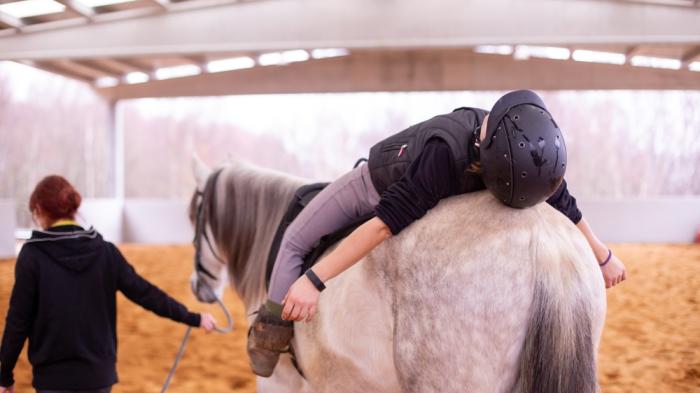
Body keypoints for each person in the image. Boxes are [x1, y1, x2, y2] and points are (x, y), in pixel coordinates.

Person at [247, 90, 628, 377]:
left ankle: (270, 329)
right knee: (297, 236)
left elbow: (564, 202)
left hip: (399, 183)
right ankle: (275, 326)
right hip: (373, 184)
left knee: (295, 239)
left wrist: (601, 255)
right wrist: (313, 281)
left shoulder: (529, 155)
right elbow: (382, 224)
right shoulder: (442, 156)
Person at [0, 175, 217, 393]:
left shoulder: (32, 255)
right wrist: (193, 318)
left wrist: (5, 375)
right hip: (99, 377)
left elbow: (18, 321)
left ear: (39, 209)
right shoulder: (106, 252)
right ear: (73, 207)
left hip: (53, 380)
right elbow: (146, 293)